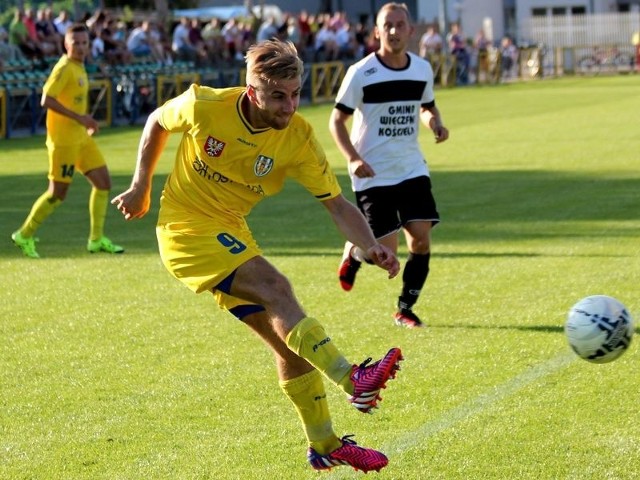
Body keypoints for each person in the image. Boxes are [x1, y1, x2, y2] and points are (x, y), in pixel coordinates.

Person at [111, 39, 404, 473]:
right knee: (277, 287)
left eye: (295, 94)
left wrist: (370, 245)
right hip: (185, 229)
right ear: (252, 93)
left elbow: (338, 205)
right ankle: (352, 379)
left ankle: (324, 444)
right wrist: (141, 186)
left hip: (231, 231)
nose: (289, 106)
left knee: (288, 346)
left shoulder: (299, 138)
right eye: (278, 96)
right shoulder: (204, 105)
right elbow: (157, 120)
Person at [329, 2, 449, 329]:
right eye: (388, 25)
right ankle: (355, 253)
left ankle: (405, 308)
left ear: (411, 31)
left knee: (421, 239)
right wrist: (353, 158)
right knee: (383, 254)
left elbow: (426, 107)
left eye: (400, 25)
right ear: (377, 32)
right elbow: (336, 121)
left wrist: (435, 124)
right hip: (372, 174)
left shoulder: (422, 69)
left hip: (411, 167)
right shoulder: (361, 73)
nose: (394, 31)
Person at [11, 24, 124, 259]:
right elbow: (46, 99)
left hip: (80, 138)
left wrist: (85, 122)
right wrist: (80, 118)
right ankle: (24, 234)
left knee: (103, 183)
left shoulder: (79, 67)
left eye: (85, 43)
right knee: (57, 193)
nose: (81, 47)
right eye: (76, 43)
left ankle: (95, 240)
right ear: (66, 44)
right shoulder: (63, 68)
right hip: (63, 142)